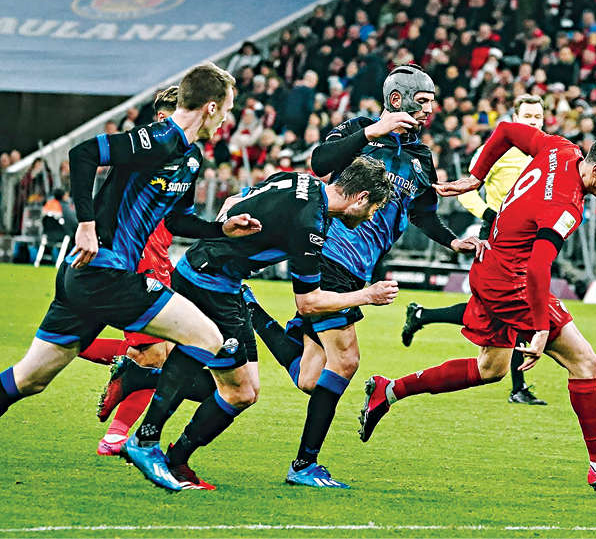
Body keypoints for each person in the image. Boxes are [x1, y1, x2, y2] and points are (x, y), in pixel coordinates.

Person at [358, 122, 596, 495]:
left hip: (490, 266)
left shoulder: (560, 149)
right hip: (512, 283)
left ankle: (389, 390)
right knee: (585, 363)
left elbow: (507, 130)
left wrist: (476, 178)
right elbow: (538, 267)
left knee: (491, 369)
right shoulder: (565, 204)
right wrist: (541, 327)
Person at [0, 62, 262, 485]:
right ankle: (144, 441)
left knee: (30, 379)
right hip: (105, 273)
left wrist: (222, 229)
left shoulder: (190, 158)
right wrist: (86, 225)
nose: (227, 120)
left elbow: (176, 220)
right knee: (209, 338)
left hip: (89, 280)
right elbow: (83, 154)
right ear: (211, 107)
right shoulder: (159, 139)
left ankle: (135, 388)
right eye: (228, 110)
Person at [244, 64, 486, 489]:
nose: (429, 110)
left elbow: (422, 213)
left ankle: (249, 310)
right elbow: (320, 162)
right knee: (346, 361)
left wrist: (453, 242)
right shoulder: (360, 130)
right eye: (422, 101)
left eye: (432, 102)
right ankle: (304, 465)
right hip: (328, 253)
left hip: (359, 269)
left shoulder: (421, 158)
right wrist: (375, 130)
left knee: (310, 376)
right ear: (396, 100)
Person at [124, 156, 394, 491]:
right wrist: (366, 296)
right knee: (232, 384)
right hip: (209, 284)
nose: (371, 217)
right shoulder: (309, 225)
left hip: (216, 277)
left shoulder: (299, 180)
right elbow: (308, 303)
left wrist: (228, 242)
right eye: (374, 209)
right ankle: (152, 444)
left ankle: (166, 443)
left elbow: (231, 201)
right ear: (361, 198)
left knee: (243, 389)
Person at [400, 94, 549, 405]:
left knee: (498, 309)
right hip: (496, 233)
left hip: (529, 237)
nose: (533, 122)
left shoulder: (547, 151)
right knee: (510, 306)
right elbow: (467, 190)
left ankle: (422, 315)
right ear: (514, 118)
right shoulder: (498, 150)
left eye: (538, 117)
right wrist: (488, 214)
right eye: (527, 117)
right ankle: (518, 387)